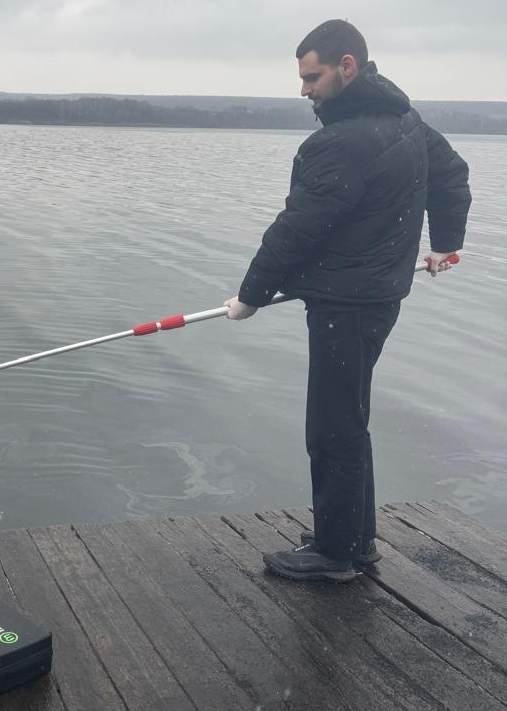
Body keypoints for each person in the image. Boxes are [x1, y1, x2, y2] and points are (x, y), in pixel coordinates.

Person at [223, 20, 471, 582]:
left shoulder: (340, 143)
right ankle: (355, 538)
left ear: (347, 66)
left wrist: (250, 296)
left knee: (333, 425)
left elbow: (296, 229)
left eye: (312, 77)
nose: (304, 89)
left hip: (348, 303)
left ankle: (335, 555)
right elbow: (452, 175)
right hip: (378, 297)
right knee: (349, 417)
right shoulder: (406, 121)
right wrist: (446, 245)